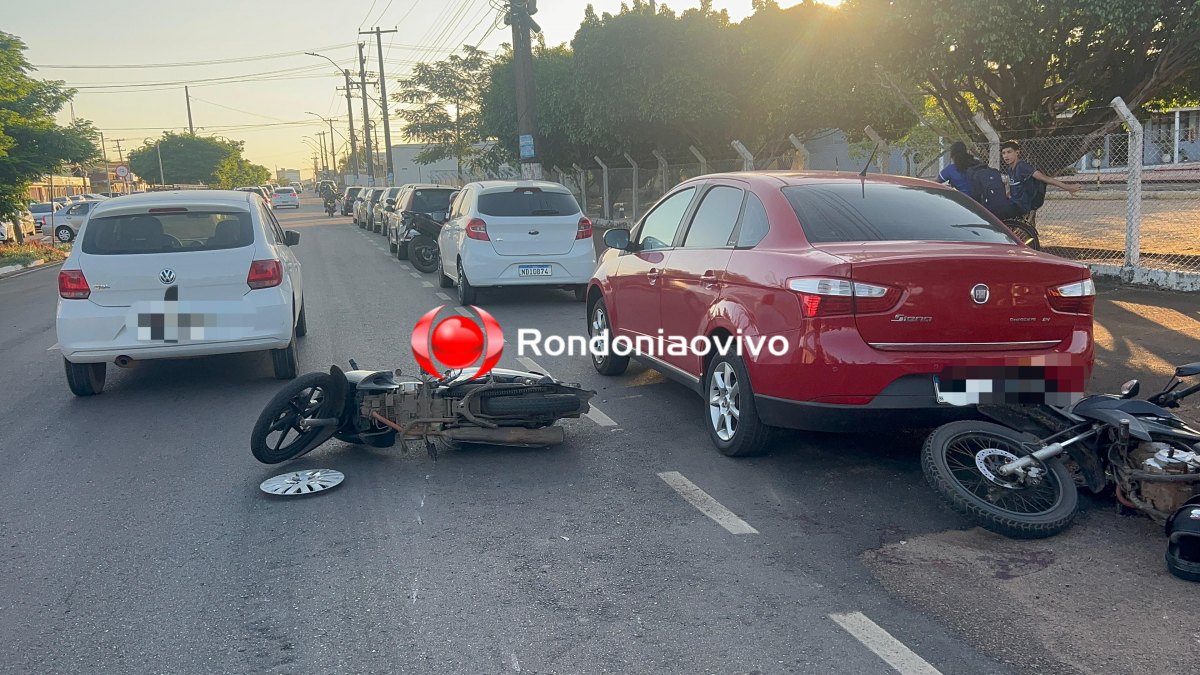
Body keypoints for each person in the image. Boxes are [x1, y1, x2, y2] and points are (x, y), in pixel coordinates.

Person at [1000, 139, 1079, 215]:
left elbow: (1043, 177)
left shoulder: (1022, 166)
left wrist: (1067, 187)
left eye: (1009, 152)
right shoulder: (1010, 169)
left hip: (1021, 204)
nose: (1006, 156)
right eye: (1003, 153)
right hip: (1014, 201)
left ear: (1017, 153)